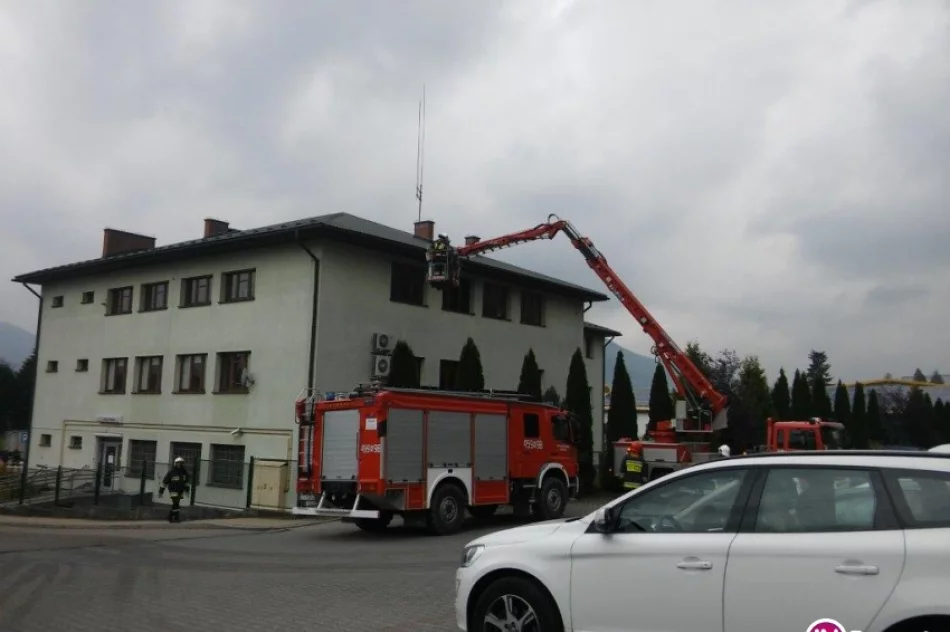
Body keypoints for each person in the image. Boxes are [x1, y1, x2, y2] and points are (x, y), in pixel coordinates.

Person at [158, 457, 191, 523]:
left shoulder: (184, 472)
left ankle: (172, 517)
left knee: (176, 504)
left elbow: (187, 483)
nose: (179, 464)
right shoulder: (171, 472)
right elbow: (165, 482)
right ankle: (175, 518)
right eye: (178, 463)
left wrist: (187, 490)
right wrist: (161, 491)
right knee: (176, 503)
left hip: (180, 490)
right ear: (175, 464)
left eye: (180, 463)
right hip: (173, 490)